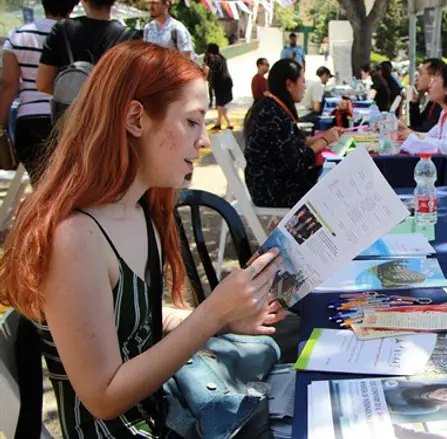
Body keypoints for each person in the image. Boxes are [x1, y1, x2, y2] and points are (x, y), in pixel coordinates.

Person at [0, 41, 286, 438]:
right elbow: (103, 397)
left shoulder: (139, 211)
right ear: (136, 118)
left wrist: (227, 318)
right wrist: (210, 316)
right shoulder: (75, 238)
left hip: (166, 415)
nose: (203, 141)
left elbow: (138, 325)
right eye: (191, 122)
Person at [243, 59, 342, 208]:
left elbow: (296, 142)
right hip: (272, 189)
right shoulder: (273, 115)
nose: (305, 87)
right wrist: (324, 142)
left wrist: (323, 137)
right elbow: (299, 162)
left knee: (333, 178)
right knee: (335, 189)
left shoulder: (272, 107)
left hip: (270, 182)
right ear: (289, 85)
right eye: (302, 81)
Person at [0, 0, 78, 184]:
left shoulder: (19, 35)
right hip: (68, 119)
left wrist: (2, 126)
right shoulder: (77, 35)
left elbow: (8, 84)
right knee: (65, 187)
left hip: (29, 119)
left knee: (41, 186)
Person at [36, 0, 140, 95]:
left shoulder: (62, 29)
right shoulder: (131, 37)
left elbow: (43, 84)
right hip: (111, 112)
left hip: (72, 111)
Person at [409, 58, 445, 133]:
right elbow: (418, 125)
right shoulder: (433, 101)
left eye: (421, 74)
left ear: (433, 76)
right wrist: (416, 100)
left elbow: (427, 132)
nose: (417, 78)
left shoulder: (442, 101)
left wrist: (406, 130)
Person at [205, 43, 234, 131]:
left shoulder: (215, 59)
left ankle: (229, 123)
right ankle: (218, 123)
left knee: (220, 104)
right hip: (226, 82)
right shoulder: (222, 58)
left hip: (220, 84)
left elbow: (213, 70)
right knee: (220, 104)